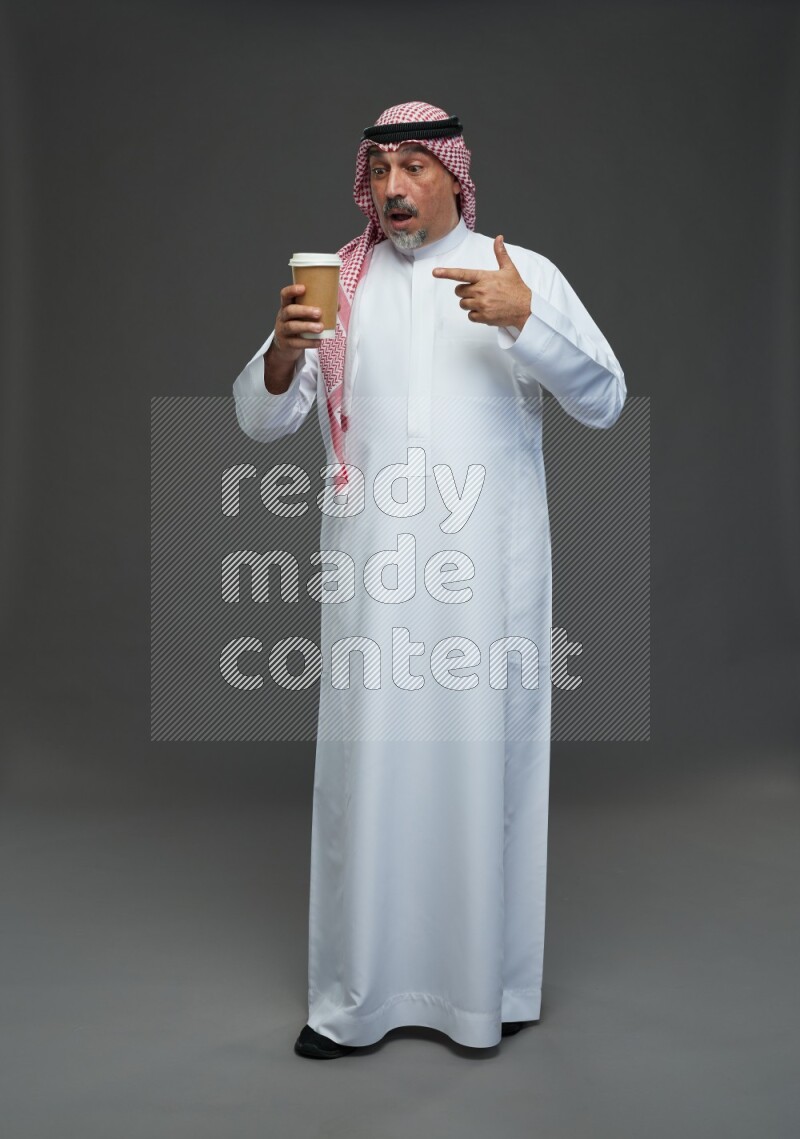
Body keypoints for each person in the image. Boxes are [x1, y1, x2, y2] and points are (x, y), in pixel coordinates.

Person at [232, 101, 626, 1060]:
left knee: (482, 769)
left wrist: (526, 322)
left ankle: (488, 988)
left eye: (414, 166)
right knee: (365, 776)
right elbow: (260, 421)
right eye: (379, 171)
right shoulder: (340, 287)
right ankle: (354, 997)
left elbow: (605, 397)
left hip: (485, 581)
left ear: (456, 174)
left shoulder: (517, 270)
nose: (394, 187)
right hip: (371, 577)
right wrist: (284, 353)